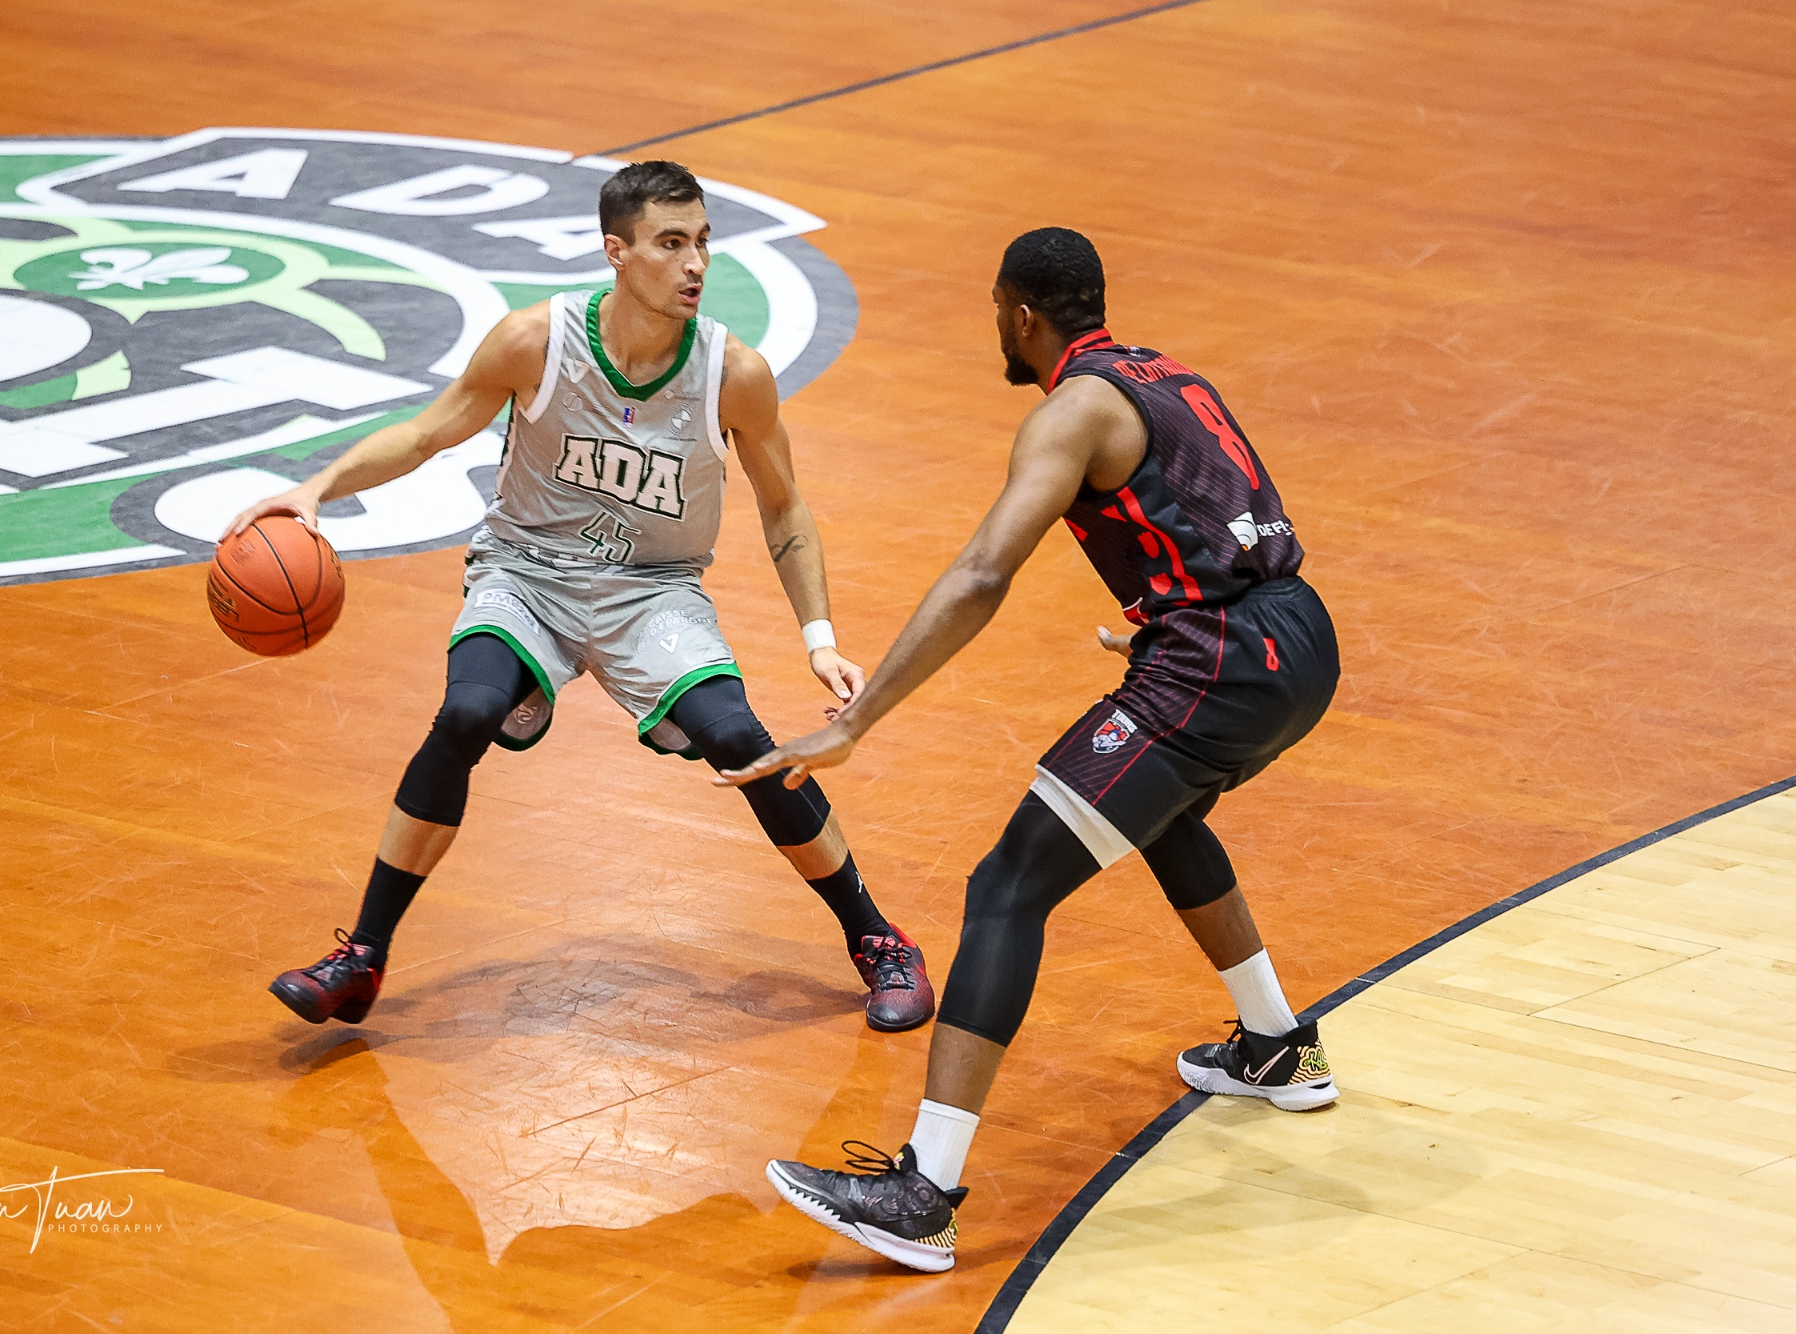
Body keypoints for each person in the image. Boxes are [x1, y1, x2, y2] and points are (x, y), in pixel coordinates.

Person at [724, 227, 1341, 1272]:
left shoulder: (1072, 411)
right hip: (1297, 638)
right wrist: (1169, 617)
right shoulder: (1167, 375)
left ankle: (922, 1194)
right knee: (1164, 812)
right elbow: (1227, 521)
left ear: (1020, 315)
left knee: (1007, 885)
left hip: (1216, 665)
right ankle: (1277, 1043)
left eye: (994, 312)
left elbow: (981, 574)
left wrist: (854, 721)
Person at [228, 161, 935, 1036]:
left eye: (702, 242)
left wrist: (819, 637)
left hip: (653, 591)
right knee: (464, 714)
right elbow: (425, 432)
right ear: (616, 251)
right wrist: (316, 490)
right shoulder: (535, 341)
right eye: (670, 243)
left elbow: (784, 506)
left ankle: (880, 940)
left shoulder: (733, 372)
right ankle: (363, 957)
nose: (695, 264)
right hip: (527, 574)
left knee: (741, 742)